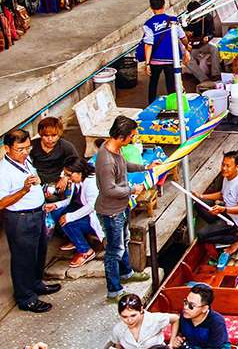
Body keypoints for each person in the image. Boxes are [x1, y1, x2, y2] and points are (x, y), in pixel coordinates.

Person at [0, 129, 60, 313]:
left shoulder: (26, 160)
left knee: (39, 251)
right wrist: (24, 190)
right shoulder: (4, 171)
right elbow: (2, 202)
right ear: (7, 148)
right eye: (20, 149)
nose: (25, 152)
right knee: (23, 258)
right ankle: (26, 298)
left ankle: (36, 283)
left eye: (27, 147)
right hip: (21, 219)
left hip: (37, 213)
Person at [95, 116, 153, 302]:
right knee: (114, 250)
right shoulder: (106, 161)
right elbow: (109, 189)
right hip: (111, 212)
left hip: (122, 207)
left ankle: (126, 273)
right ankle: (114, 290)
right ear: (121, 137)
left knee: (124, 240)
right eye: (131, 137)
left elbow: (125, 166)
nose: (133, 140)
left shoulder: (116, 150)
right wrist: (132, 190)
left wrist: (145, 167)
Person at [45, 157, 103, 268]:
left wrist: (70, 217)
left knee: (67, 222)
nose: (67, 178)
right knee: (56, 212)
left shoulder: (91, 183)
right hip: (82, 209)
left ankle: (86, 251)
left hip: (98, 217)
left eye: (68, 175)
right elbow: (69, 200)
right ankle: (74, 239)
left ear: (79, 172)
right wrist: (55, 205)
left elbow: (92, 206)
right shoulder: (77, 181)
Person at [197, 151, 238, 260]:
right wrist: (201, 196)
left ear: (237, 167)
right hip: (226, 214)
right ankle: (217, 227)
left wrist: (222, 209)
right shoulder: (227, 177)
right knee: (199, 204)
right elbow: (223, 194)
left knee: (201, 235)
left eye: (228, 166)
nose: (224, 168)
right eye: (223, 164)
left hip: (237, 222)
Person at [143, 0, 190, 104]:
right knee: (171, 84)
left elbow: (148, 44)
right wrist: (186, 48)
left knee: (153, 83)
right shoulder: (173, 20)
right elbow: (183, 37)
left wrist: (147, 63)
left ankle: (150, 104)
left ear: (151, 7)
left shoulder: (148, 24)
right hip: (171, 59)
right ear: (164, 5)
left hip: (155, 59)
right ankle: (173, 106)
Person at [110, 293, 179, 349]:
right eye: (124, 317)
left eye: (133, 315)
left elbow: (175, 319)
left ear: (141, 309)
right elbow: (118, 345)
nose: (129, 320)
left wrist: (171, 343)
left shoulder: (155, 319)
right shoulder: (117, 329)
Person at [171, 284, 229, 349]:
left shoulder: (217, 322)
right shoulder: (185, 314)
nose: (185, 307)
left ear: (204, 308)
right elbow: (181, 335)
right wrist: (177, 340)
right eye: (186, 302)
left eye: (192, 305)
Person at [183, 0, 221, 83]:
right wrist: (186, 33)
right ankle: (203, 79)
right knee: (187, 59)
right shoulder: (186, 20)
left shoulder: (207, 17)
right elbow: (181, 33)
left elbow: (212, 33)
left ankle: (216, 74)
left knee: (214, 48)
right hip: (192, 46)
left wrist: (207, 37)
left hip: (204, 44)